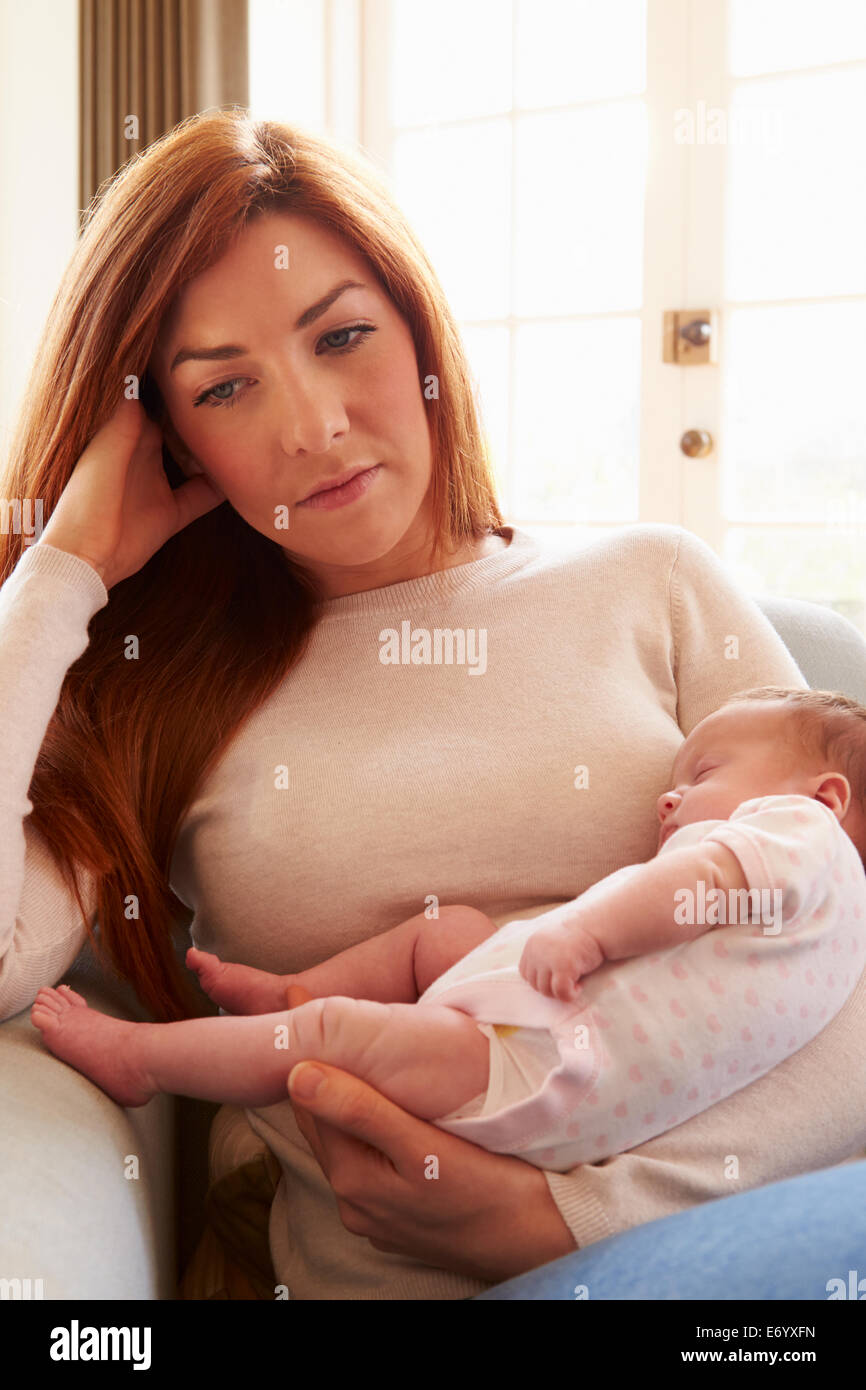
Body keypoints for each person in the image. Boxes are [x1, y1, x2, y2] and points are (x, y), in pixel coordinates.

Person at [2, 108, 864, 1300]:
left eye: (342, 334)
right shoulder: (160, 691)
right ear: (167, 439)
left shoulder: (651, 582)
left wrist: (564, 1218)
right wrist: (60, 574)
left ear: (417, 329)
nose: (311, 425)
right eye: (226, 387)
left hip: (724, 1254)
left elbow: (850, 944)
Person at [29, 687, 866, 1177]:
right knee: (448, 932)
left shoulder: (802, 834)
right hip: (545, 1037)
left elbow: (693, 882)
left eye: (703, 775)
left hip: (532, 1064)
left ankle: (144, 1062)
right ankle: (299, 988)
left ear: (827, 797)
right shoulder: (834, 928)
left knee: (332, 1039)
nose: (667, 799)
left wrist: (589, 934)